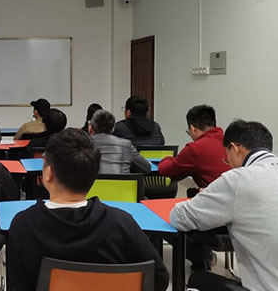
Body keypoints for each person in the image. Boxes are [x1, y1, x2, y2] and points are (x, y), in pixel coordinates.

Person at [7, 128, 169, 291]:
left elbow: (18, 283)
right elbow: (158, 277)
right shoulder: (122, 223)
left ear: (49, 172)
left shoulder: (23, 224)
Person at [170, 120, 278, 291]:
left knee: (199, 280)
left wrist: (207, 195)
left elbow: (180, 217)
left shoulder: (238, 179)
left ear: (234, 148)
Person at [158, 105, 230, 190]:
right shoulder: (229, 142)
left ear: (192, 128)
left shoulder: (195, 149)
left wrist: (167, 158)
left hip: (215, 196)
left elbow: (168, 171)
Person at [88, 109, 150, 174]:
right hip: (121, 181)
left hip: (93, 181)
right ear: (113, 128)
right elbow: (146, 168)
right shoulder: (126, 145)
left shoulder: (84, 145)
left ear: (91, 128)